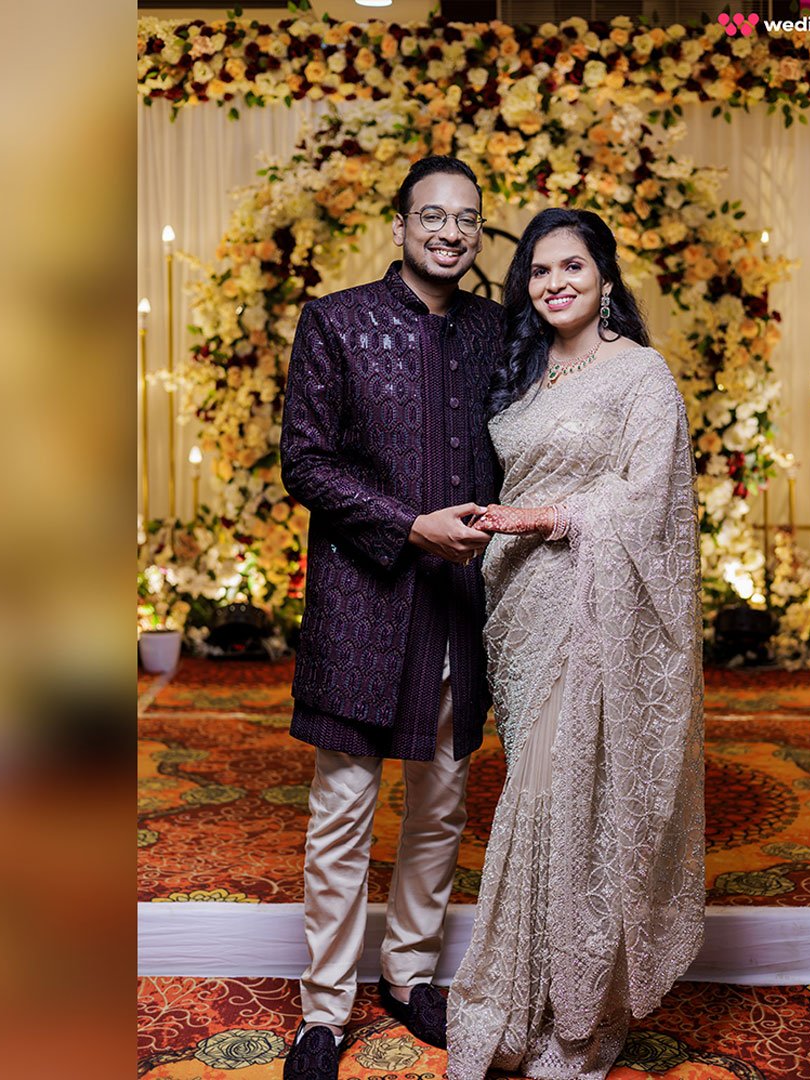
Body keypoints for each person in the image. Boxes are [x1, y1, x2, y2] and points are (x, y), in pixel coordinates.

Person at [446, 208, 705, 1080]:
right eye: (539, 270)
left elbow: (650, 497)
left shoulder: (640, 375)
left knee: (574, 801)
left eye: (572, 267)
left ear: (605, 278)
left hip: (594, 610)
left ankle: (575, 1019)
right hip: (517, 606)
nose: (554, 283)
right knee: (534, 793)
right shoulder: (521, 371)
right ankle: (522, 1003)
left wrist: (549, 517)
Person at [278, 156, 502, 1080]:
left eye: (467, 219)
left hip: (459, 606)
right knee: (342, 812)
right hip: (363, 601)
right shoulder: (336, 322)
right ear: (401, 226)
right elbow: (305, 461)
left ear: (479, 233)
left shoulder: (497, 329)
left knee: (441, 805)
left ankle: (409, 975)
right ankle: (323, 1011)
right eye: (432, 216)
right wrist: (409, 526)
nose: (450, 232)